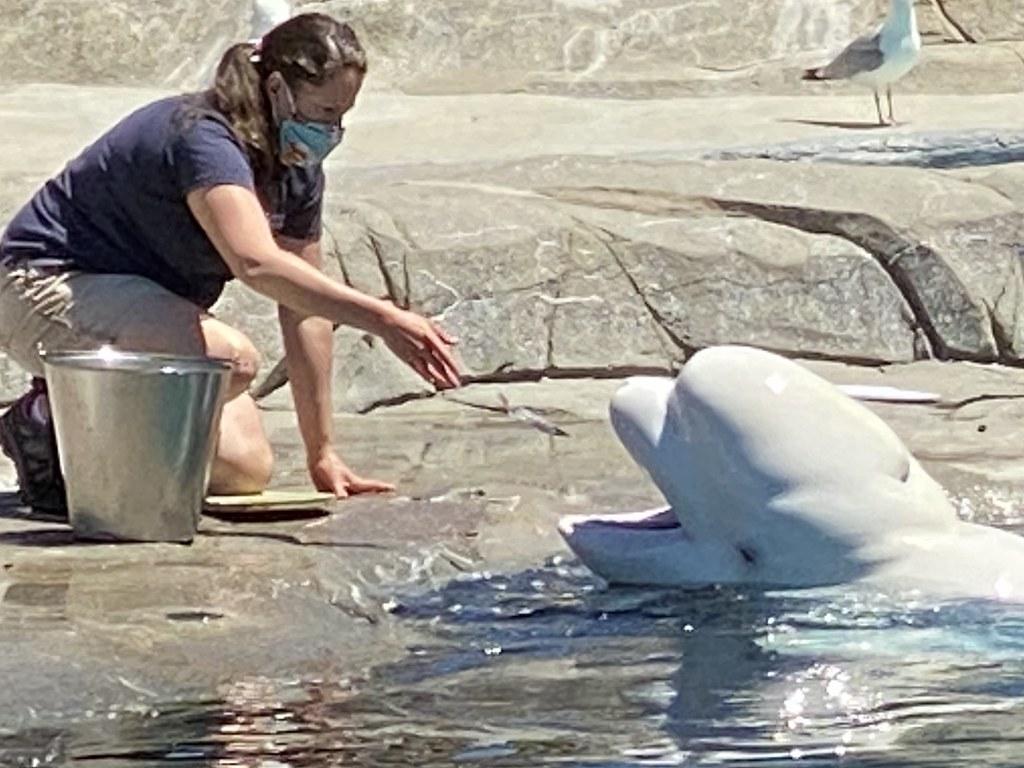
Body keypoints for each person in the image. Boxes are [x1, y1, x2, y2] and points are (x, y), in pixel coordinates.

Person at [0, 13, 462, 514]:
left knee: (243, 470)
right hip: (42, 285)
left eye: (341, 116)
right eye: (324, 110)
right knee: (230, 363)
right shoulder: (202, 137)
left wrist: (322, 452)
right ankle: (46, 418)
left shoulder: (294, 167)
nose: (332, 129)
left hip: (140, 312)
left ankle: (74, 436)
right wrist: (383, 317)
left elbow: (304, 304)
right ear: (279, 88)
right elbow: (255, 263)